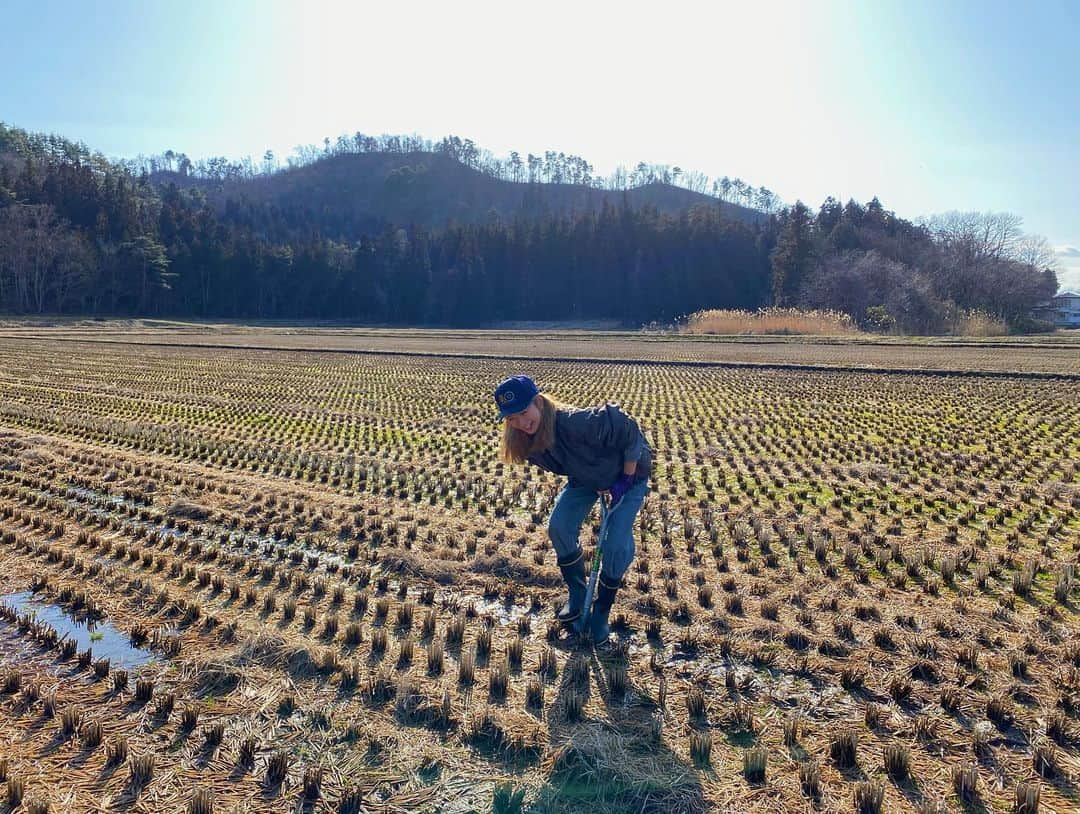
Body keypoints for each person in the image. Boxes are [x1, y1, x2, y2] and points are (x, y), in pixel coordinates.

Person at [494, 374, 651, 646]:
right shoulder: (528, 442)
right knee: (559, 526)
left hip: (629, 476)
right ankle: (578, 593)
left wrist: (624, 479)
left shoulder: (576, 422)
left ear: (539, 402)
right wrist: (597, 481)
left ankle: (601, 610)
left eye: (523, 412)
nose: (520, 422)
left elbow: (628, 429)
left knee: (615, 545)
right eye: (512, 419)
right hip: (587, 478)